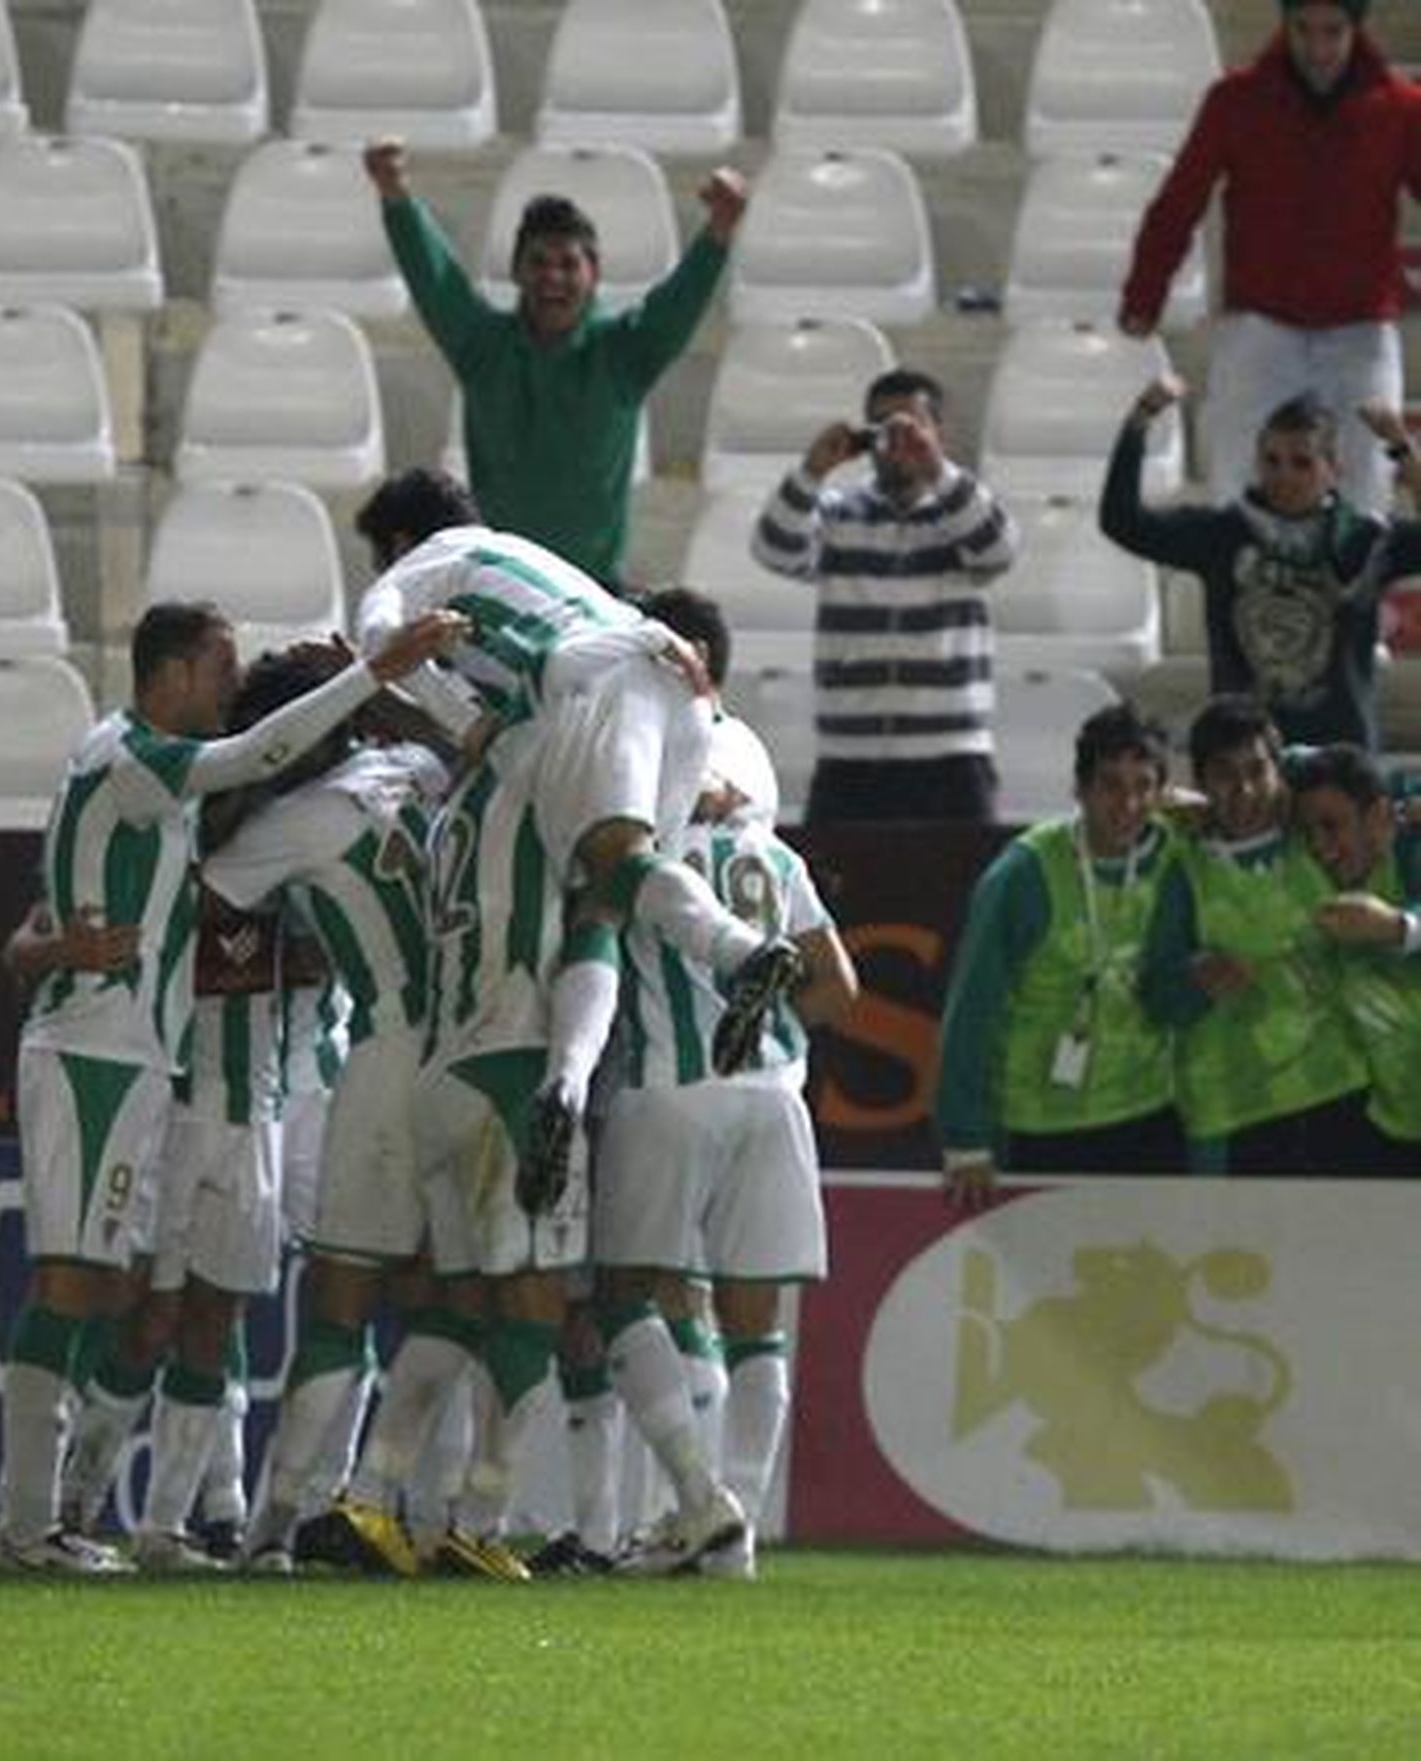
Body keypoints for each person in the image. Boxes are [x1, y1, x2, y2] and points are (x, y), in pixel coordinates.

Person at [0, 598, 464, 1573]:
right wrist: (374, 673)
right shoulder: (131, 757)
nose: (231, 692)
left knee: (128, 1292)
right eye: (219, 669)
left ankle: (98, 1519)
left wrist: (47, 946)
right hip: (97, 1056)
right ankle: (29, 1520)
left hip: (156, 1070)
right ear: (170, 674)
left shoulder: (166, 793)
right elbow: (251, 757)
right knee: (85, 1285)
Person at [353, 468, 807, 1207]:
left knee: (613, 865)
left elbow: (381, 647)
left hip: (586, 682)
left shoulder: (418, 566)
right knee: (607, 897)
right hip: (673, 676)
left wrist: (457, 717)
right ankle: (564, 1087)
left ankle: (739, 954)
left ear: (399, 539)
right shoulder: (522, 554)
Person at [594, 766, 859, 1578]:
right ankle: (735, 1537)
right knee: (756, 1320)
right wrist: (770, 1026)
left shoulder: (646, 851)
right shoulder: (774, 856)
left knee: (622, 1295)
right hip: (772, 1097)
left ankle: (699, 1497)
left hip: (670, 1088)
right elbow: (840, 990)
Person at [363, 138, 746, 586]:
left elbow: (679, 302)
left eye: (569, 263)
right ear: (517, 270)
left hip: (593, 593)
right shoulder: (483, 347)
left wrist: (720, 228)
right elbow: (435, 279)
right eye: (539, 262)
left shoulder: (624, 353)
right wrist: (394, 193)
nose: (553, 277)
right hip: (500, 587)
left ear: (594, 272)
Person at [1118, 0, 1421, 516]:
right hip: (1260, 326)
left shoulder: (1400, 108)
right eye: (1304, 30)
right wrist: (1145, 294)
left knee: (1366, 496)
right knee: (1236, 493)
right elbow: (1179, 201)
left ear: (1356, 29)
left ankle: (1353, 598)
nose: (1319, 49)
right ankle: (1239, 597)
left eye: (1333, 32)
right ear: (1284, 25)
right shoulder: (1235, 100)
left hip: (1361, 330)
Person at [936, 703, 1188, 1207]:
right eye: (1111, 785)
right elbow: (971, 1008)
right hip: (1040, 1125)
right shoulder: (1022, 875)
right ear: (1079, 789)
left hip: (1148, 1115)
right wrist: (965, 1140)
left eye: (1144, 786)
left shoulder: (1175, 855)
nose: (1129, 804)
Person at [748, 367, 1018, 824]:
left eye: (911, 428)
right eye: (882, 427)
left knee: (961, 894)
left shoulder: (961, 511)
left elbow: (999, 549)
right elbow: (772, 549)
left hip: (951, 760)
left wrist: (937, 470)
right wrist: (812, 471)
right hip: (850, 762)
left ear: (938, 434)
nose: (896, 444)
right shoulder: (838, 514)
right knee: (839, 895)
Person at [1099, 376, 1421, 749]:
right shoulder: (1222, 533)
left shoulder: (1366, 540)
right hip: (1242, 762)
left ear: (1334, 469)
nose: (1284, 475)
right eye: (1272, 460)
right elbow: (1121, 521)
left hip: (1341, 755)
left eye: (1302, 463)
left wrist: (1401, 448)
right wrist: (1140, 420)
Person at [1139, 695, 1375, 1174]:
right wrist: (1195, 983)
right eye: (1224, 774)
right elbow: (1157, 996)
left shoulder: (1311, 828)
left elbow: (1343, 768)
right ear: (1201, 781)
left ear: (1278, 773)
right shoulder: (1182, 867)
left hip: (1340, 1088)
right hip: (1237, 1113)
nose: (1244, 790)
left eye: (1257, 771)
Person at [1289, 741, 1421, 1173]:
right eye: (1308, 831)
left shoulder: (1412, 851)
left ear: (1380, 817)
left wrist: (1397, 928)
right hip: (1362, 1121)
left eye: (1332, 827)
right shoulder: (1307, 871)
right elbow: (1280, 757)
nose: (1319, 847)